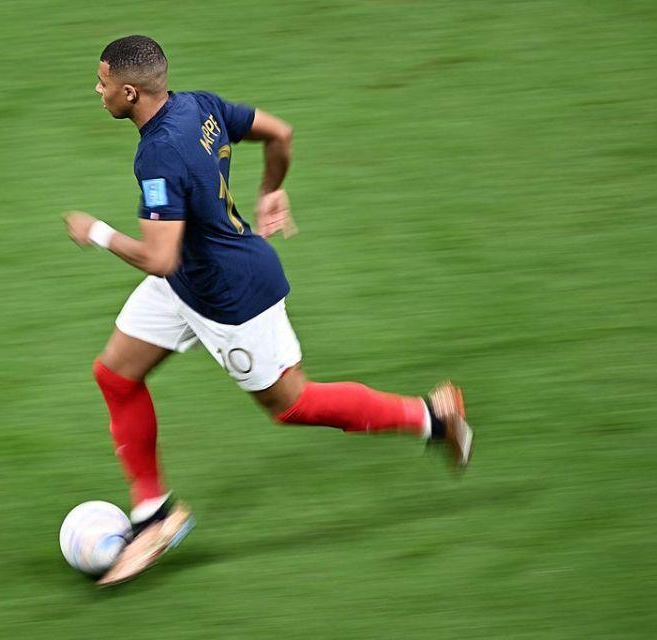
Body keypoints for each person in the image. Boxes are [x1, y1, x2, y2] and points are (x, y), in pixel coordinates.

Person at [63, 35, 473, 586]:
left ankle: (433, 418)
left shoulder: (157, 154)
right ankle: (154, 515)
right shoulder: (198, 105)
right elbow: (280, 132)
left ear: (131, 92)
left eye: (103, 82)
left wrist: (96, 231)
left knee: (292, 404)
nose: (98, 91)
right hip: (188, 280)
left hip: (231, 297)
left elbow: (159, 257)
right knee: (115, 374)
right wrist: (273, 189)